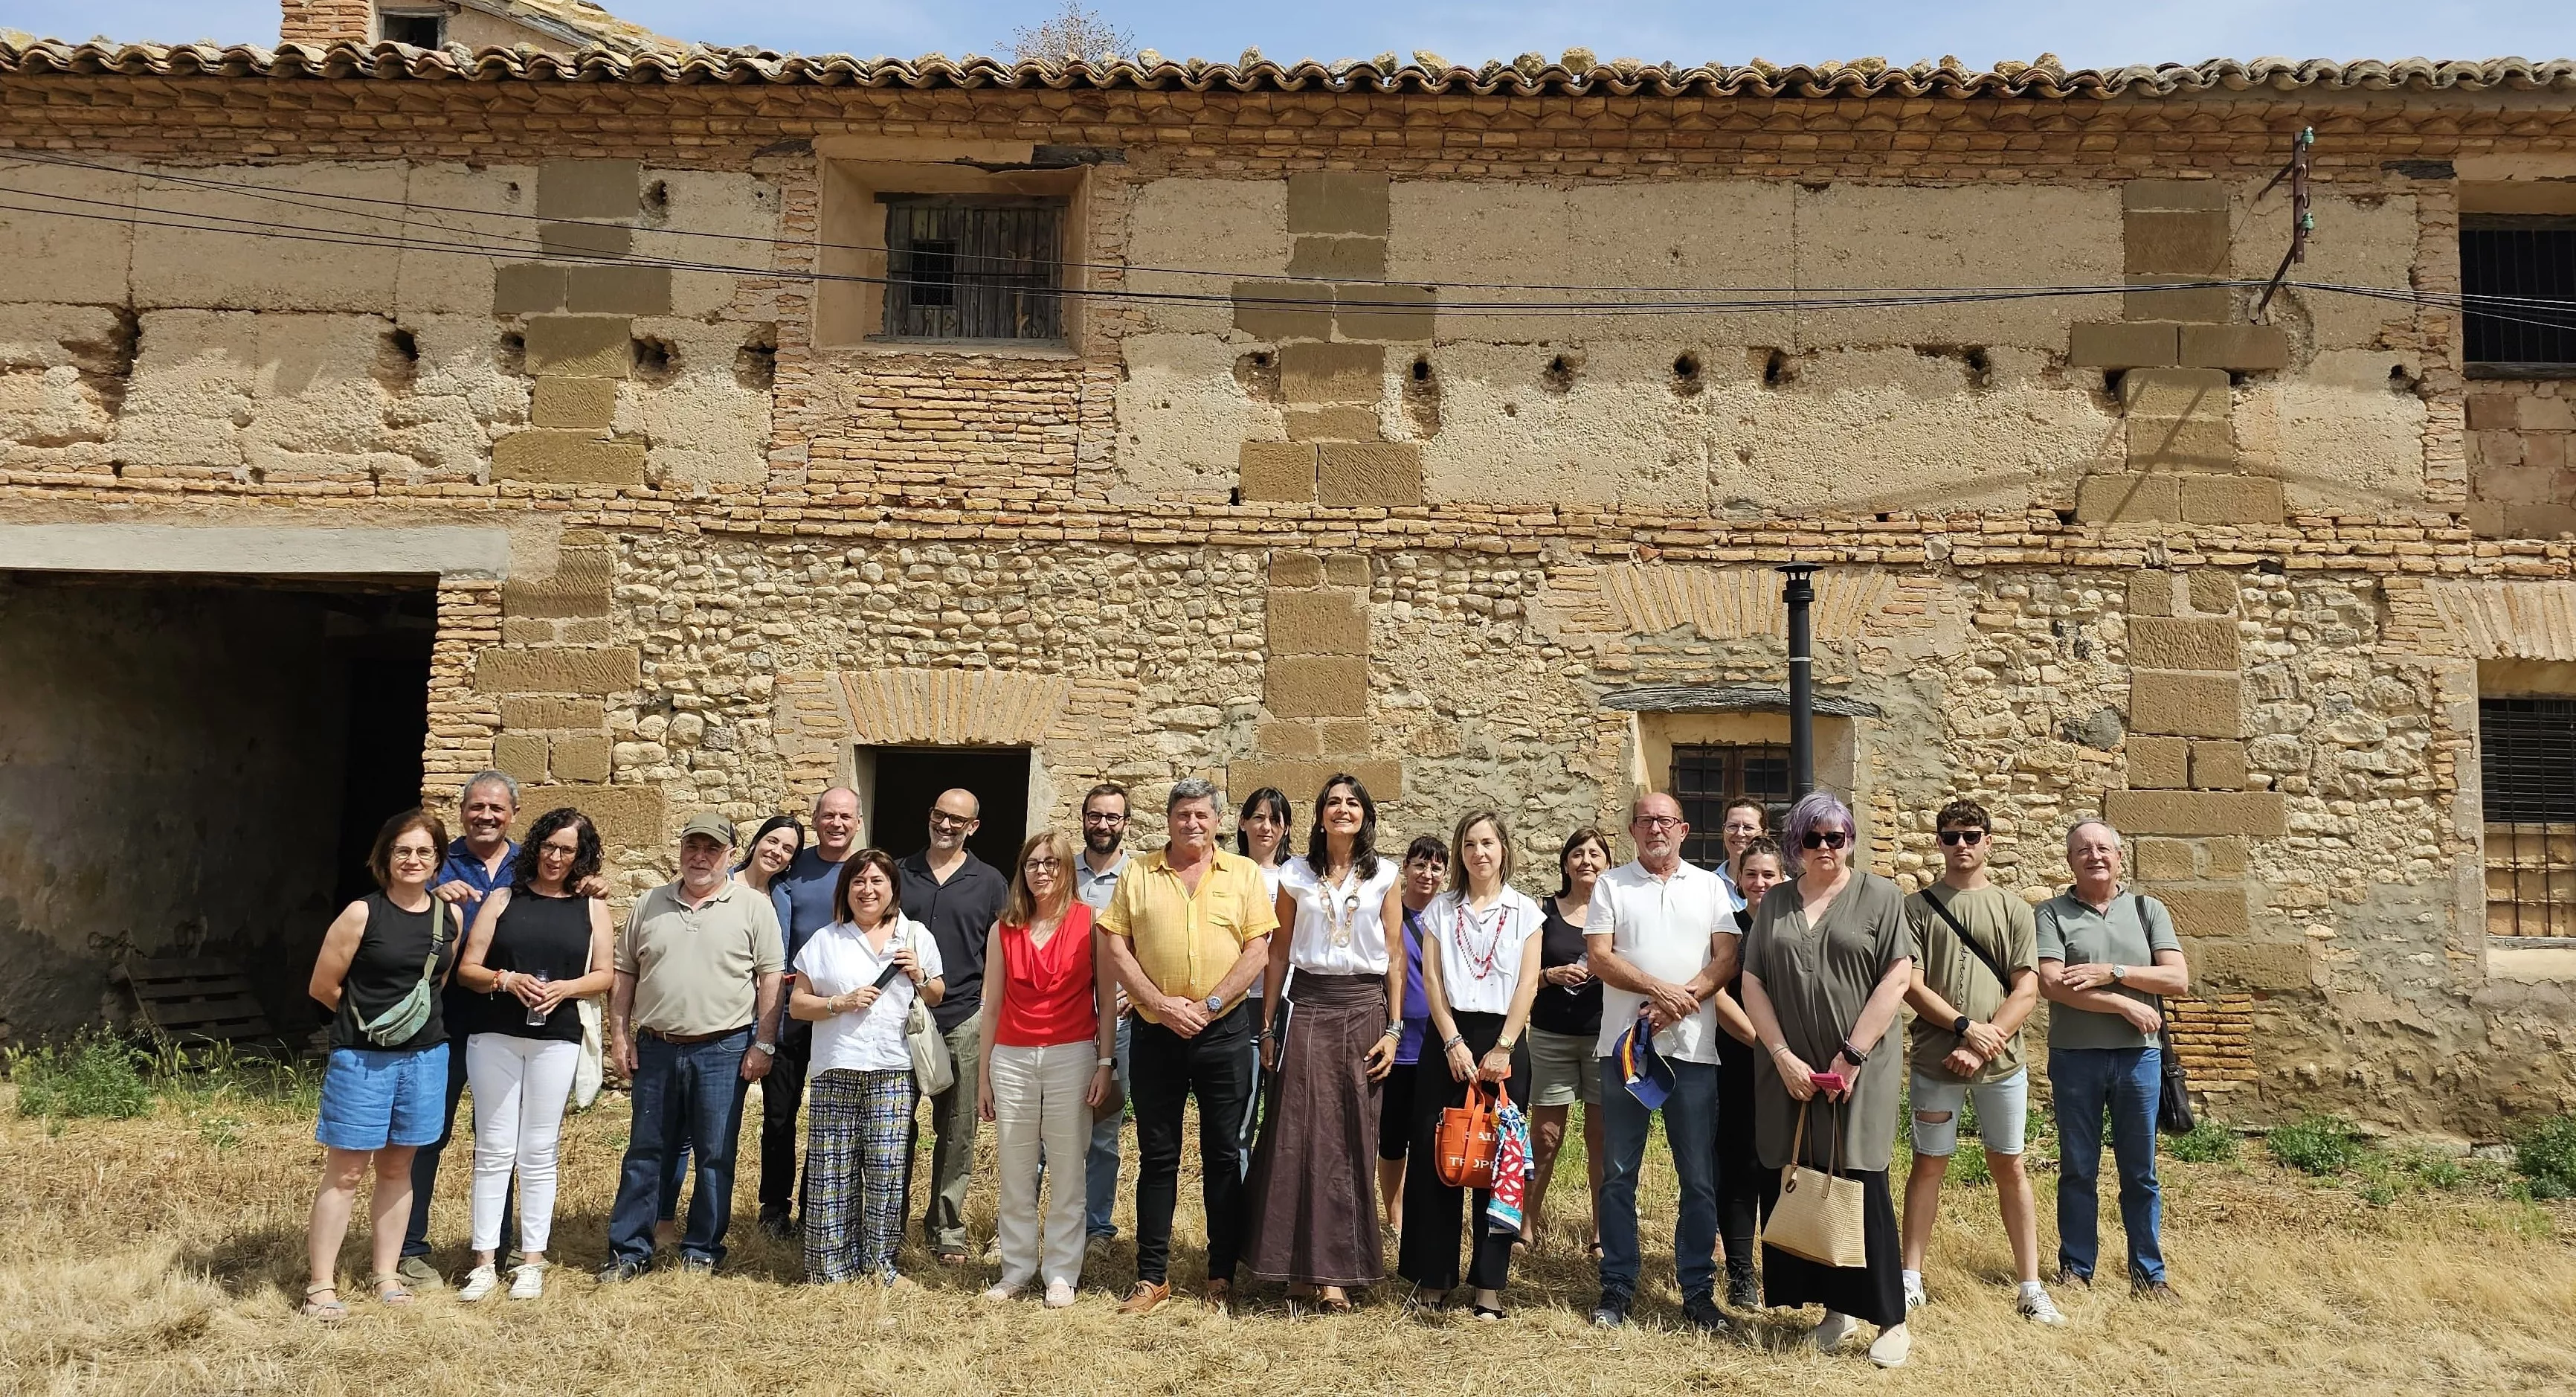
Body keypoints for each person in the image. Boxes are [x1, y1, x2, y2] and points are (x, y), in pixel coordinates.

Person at [1740, 791, 1916, 1367]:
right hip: (1790, 1071)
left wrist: (1851, 1056)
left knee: (1861, 1178)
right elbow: (1753, 983)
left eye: (1835, 837)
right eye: (1813, 838)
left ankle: (1890, 1319)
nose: (1824, 848)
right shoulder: (1777, 903)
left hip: (1857, 1069)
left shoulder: (1882, 897)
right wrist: (1783, 1054)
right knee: (1807, 1177)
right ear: (1796, 844)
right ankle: (1834, 1311)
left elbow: (1896, 977)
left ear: (1851, 840)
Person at [1097, 777, 1278, 1314]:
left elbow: (1258, 951)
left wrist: (1210, 1006)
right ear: (1169, 819)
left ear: (1217, 821)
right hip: (1158, 1032)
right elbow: (1116, 945)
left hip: (1222, 1033)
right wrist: (1161, 1002)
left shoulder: (1243, 874)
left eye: (1201, 815)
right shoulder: (1139, 872)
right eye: (1182, 815)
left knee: (1224, 1155)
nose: (1191, 824)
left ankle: (1221, 1273)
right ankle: (1152, 1277)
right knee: (1158, 1157)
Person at [598, 813, 786, 1280]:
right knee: (644, 1151)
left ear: (728, 855)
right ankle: (629, 1252)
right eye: (692, 847)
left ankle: (702, 1250)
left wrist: (763, 1042)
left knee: (715, 1154)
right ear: (681, 850)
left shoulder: (753, 907)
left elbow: (770, 978)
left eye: (712, 849)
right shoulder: (649, 903)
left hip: (723, 1049)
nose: (700, 857)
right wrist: (619, 1037)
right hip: (657, 1047)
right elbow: (624, 975)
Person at [1243, 774, 1406, 1310]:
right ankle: (1294, 1268)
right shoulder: (1294, 874)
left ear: (1365, 815)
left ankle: (1336, 1273)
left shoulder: (1385, 874)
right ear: (1318, 816)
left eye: (1352, 802)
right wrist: (1267, 1027)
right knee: (1296, 1133)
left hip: (1364, 1009)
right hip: (1307, 1008)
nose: (1343, 809)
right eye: (1333, 802)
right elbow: (1278, 952)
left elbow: (1395, 955)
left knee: (1350, 1136)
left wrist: (1393, 1028)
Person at [1897, 800, 2062, 1323]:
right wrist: (1965, 1030)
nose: (1961, 845)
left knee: (2009, 1165)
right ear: (1939, 842)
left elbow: (2027, 987)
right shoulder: (1917, 907)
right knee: (1928, 1165)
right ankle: (1910, 1279)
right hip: (1934, 1058)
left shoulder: (2014, 909)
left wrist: (1983, 1042)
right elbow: (1912, 986)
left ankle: (2031, 1287)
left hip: (2002, 1064)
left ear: (1988, 840)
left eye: (1971, 835)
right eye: (1950, 836)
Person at [1585, 792, 1739, 1333]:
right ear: (1633, 830)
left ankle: (1697, 1290)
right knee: (1618, 1173)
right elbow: (1600, 956)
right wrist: (1658, 990)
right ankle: (1618, 1286)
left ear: (1684, 829)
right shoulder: (1611, 884)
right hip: (1625, 1050)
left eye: (1665, 821)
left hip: (1693, 1051)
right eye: (1646, 820)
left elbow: (1726, 957)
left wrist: (1680, 1001)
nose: (1656, 829)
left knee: (1697, 1176)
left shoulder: (1711, 886)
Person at [451, 806, 615, 1302]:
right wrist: (506, 979)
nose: (557, 857)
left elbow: (605, 975)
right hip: (494, 1034)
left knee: (539, 1150)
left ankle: (532, 1261)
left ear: (580, 856)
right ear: (536, 847)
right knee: (494, 1149)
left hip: (556, 1036)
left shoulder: (592, 907)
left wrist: (565, 989)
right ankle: (484, 1262)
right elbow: (468, 969)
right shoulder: (504, 898)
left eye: (568, 850)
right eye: (549, 846)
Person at [302, 809, 459, 1320]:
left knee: (398, 1168)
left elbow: (437, 985)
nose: (412, 860)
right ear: (386, 857)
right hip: (362, 1061)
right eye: (403, 851)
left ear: (438, 861)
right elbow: (323, 987)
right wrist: (371, 1025)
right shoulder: (360, 914)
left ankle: (386, 1273)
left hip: (426, 1058)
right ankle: (321, 1285)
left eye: (424, 852)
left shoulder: (447, 919)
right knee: (345, 1173)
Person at [1397, 810, 1542, 1320]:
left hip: (1504, 1039)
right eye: (1469, 844)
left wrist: (1502, 1047)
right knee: (1440, 1156)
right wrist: (1454, 1041)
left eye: (1487, 842)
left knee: (1497, 1161)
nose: (1479, 852)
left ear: (1503, 848)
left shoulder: (1527, 912)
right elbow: (1434, 983)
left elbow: (1527, 984)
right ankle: (1432, 1279)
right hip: (1449, 1040)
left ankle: (1488, 1287)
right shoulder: (1441, 909)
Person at [2038, 818, 2189, 1302]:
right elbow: (2052, 985)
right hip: (2074, 1059)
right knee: (2078, 1168)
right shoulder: (2051, 913)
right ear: (2070, 860)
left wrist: (2114, 972)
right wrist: (2123, 1000)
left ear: (2119, 857)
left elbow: (2176, 979)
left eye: (2104, 848)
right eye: (2084, 849)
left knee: (2140, 1171)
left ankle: (2149, 1274)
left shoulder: (2148, 911)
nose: (2095, 856)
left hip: (2139, 1060)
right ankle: (2077, 1269)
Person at [792, 849, 944, 1285]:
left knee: (887, 1167)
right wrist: (838, 1002)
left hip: (893, 1067)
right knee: (830, 1167)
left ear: (893, 889)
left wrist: (919, 973)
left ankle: (880, 1263)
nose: (867, 890)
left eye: (877, 881)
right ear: (847, 890)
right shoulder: (826, 940)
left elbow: (937, 994)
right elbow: (799, 1005)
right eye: (859, 882)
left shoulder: (915, 937)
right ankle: (829, 1267)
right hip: (837, 1065)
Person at [977, 830, 1116, 1306]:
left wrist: (1105, 1062)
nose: (1042, 871)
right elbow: (991, 1006)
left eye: (1052, 863)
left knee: (1067, 1168)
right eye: (1033, 863)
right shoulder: (1004, 928)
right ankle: (1016, 1269)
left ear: (1066, 870)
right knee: (1015, 1170)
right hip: (1012, 1058)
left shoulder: (1091, 922)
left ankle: (1061, 1272)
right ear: (1023, 870)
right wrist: (983, 1078)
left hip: (1072, 1054)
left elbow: (1107, 1004)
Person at [400, 771, 516, 1290]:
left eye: (496, 808)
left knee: (503, 1139)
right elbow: (391, 908)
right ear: (462, 809)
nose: (485, 816)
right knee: (427, 1134)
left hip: (508, 1018)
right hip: (443, 1017)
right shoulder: (435, 861)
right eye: (476, 807)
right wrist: (428, 888)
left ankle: (504, 1250)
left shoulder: (529, 864)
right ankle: (409, 1248)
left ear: (513, 812)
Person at [900, 789, 1011, 1265]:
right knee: (892, 1125)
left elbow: (1002, 948)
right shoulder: (899, 873)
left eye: (957, 820)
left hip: (964, 1018)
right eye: (939, 816)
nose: (946, 826)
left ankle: (946, 1228)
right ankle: (886, 1221)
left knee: (958, 1130)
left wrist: (988, 1005)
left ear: (973, 827)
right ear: (929, 817)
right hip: (903, 1019)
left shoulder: (989, 882)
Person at [761, 788, 860, 1237]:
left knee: (831, 1120)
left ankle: (816, 1205)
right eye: (828, 815)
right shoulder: (790, 869)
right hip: (791, 1014)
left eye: (845, 816)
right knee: (780, 1116)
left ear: (857, 822)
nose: (836, 823)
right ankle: (774, 1208)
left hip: (843, 1019)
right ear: (816, 819)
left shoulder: (868, 873)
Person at [1521, 827, 1609, 1258]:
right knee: (1546, 1136)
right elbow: (1522, 980)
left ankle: (1599, 1233)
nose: (1586, 861)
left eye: (1595, 854)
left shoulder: (1616, 913)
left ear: (1608, 864)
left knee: (1601, 1138)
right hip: (1551, 1037)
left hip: (1603, 1038)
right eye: (1577, 854)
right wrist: (1548, 976)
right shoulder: (1543, 914)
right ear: (1565, 864)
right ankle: (1526, 1227)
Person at [1715, 836, 1786, 1309]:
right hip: (1739, 1061)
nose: (1759, 883)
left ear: (1784, 879)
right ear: (1738, 880)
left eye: (1768, 875)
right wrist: (1766, 1046)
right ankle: (1741, 1272)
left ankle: (1784, 1274)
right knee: (1738, 1167)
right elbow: (1717, 994)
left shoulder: (1796, 929)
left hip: (1789, 1069)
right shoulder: (1728, 929)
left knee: (1780, 1169)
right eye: (1751, 874)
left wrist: (1785, 1056)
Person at [1073, 783, 1134, 1260]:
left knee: (1105, 1127)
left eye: (1113, 818)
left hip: (1120, 1020)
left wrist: (1136, 990)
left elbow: (1154, 942)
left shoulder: (1141, 877)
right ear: (1084, 818)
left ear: (1125, 823)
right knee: (1041, 1128)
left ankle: (1096, 1230)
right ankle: (1030, 1221)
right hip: (1064, 1017)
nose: (1104, 825)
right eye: (1096, 816)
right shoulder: (1058, 872)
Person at [1377, 835, 1444, 1239]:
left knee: (1428, 1133)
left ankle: (1423, 1207)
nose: (1428, 874)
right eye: (1420, 865)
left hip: (1436, 1043)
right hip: (1397, 1044)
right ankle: (1394, 1212)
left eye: (1436, 867)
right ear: (1406, 868)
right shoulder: (1390, 915)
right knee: (1393, 1133)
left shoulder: (1448, 917)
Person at [1234, 786, 1294, 1168]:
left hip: (1289, 1005)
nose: (1266, 827)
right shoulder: (1225, 872)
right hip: (1238, 1004)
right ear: (1243, 823)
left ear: (1286, 828)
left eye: (1275, 819)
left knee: (1283, 1120)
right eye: (1258, 817)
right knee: (1239, 1120)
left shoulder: (1298, 876)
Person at [1712, 797, 1768, 906]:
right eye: (1733, 826)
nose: (1740, 833)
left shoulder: (1783, 886)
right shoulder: (1708, 884)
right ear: (1723, 831)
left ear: (1764, 834)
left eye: (1748, 827)